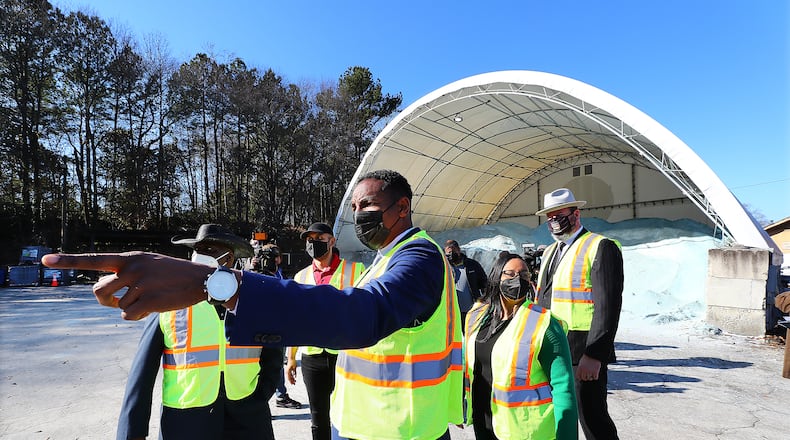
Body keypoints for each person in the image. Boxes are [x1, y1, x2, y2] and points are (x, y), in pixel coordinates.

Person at [44, 169, 463, 440]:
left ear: (402, 207)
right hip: (369, 424)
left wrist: (217, 286)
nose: (357, 216)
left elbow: (359, 316)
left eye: (366, 207)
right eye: (353, 208)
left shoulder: (420, 257)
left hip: (402, 428)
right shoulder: (387, 258)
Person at [116, 224, 282, 440]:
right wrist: (132, 431)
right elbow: (142, 373)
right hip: (185, 420)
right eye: (198, 250)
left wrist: (259, 397)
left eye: (210, 251)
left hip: (247, 418)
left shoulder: (253, 301)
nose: (200, 257)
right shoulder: (169, 301)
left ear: (229, 259)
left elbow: (273, 356)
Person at [534, 188, 624, 440]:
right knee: (559, 415)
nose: (553, 221)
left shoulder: (600, 246)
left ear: (576, 214)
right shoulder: (551, 251)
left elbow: (608, 306)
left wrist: (594, 355)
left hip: (582, 350)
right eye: (549, 216)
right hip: (550, 347)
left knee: (592, 417)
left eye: (559, 215)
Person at [464, 251, 577, 439]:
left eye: (524, 275)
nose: (518, 280)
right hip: (483, 421)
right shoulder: (477, 315)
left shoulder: (544, 324)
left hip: (524, 431)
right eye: (510, 274)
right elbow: (468, 364)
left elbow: (563, 389)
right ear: (496, 276)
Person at [288, 222, 365, 440]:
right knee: (318, 416)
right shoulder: (300, 277)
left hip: (346, 354)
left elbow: (365, 312)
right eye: (310, 240)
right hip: (313, 358)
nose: (313, 244)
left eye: (319, 239)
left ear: (332, 241)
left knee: (350, 412)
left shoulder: (355, 270)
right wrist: (291, 357)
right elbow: (295, 321)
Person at [246, 243, 303, 410]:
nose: (278, 259)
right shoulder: (253, 275)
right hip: (261, 330)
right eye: (275, 256)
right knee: (263, 366)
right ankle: (261, 400)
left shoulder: (275, 273)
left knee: (275, 365)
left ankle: (279, 395)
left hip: (276, 328)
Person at [444, 239, 487, 330]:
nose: (451, 256)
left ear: (458, 250)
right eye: (448, 254)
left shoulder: (472, 265)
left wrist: (485, 301)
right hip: (451, 313)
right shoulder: (444, 267)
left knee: (470, 334)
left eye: (453, 252)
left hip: (471, 311)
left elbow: (484, 283)